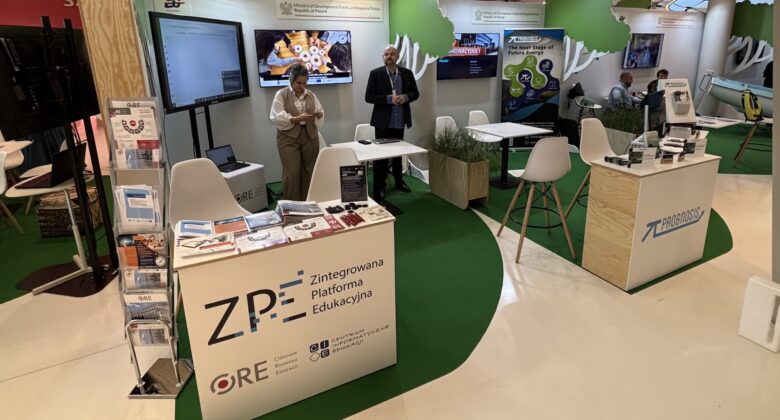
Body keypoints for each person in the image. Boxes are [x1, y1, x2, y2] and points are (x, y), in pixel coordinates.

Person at [364, 45, 419, 199]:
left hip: (399, 120)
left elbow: (415, 93)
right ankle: (379, 187)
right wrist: (389, 99)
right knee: (381, 157)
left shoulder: (407, 73)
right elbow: (369, 97)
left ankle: (399, 182)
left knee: (398, 155)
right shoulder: (375, 74)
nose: (389, 56)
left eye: (392, 54)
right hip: (383, 123)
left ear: (397, 56)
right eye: (386, 54)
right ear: (383, 57)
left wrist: (405, 97)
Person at [269, 64, 324, 201]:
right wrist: (296, 119)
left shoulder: (311, 94)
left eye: (305, 83)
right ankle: (292, 205)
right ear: (291, 80)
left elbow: (320, 111)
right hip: (288, 136)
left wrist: (318, 114)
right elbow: (276, 116)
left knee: (309, 171)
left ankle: (308, 203)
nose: (302, 86)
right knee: (292, 172)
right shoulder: (281, 94)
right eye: (299, 83)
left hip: (309, 135)